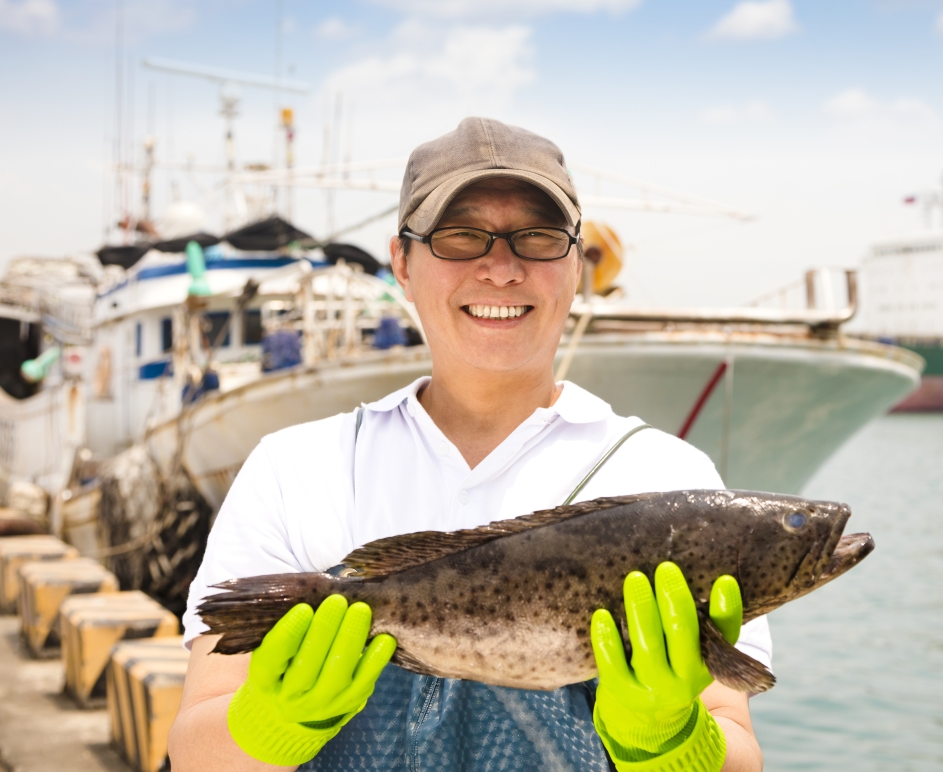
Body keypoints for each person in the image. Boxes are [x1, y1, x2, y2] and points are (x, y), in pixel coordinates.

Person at [168, 117, 770, 771]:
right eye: (461, 236)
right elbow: (196, 750)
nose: (502, 268)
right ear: (402, 260)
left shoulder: (667, 474)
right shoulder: (295, 468)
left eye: (538, 238)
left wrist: (669, 741)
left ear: (575, 265)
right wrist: (270, 723)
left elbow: (736, 744)